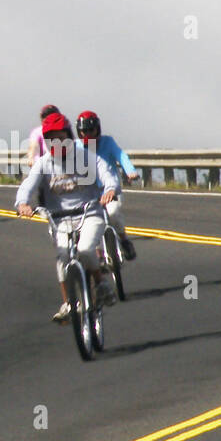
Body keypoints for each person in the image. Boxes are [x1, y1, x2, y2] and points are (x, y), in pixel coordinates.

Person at [15, 111, 120, 321]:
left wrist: (110, 189)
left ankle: (100, 282)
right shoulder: (44, 163)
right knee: (63, 258)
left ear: (69, 137)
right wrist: (23, 203)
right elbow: (27, 185)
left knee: (85, 250)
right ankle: (68, 304)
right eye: (51, 139)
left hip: (89, 214)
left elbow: (107, 173)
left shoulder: (86, 157)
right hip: (60, 219)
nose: (57, 143)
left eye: (61, 138)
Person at [75, 110, 139, 260]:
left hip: (110, 190)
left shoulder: (107, 142)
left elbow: (121, 155)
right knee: (90, 224)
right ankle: (98, 256)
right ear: (79, 132)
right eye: (84, 131)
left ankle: (124, 240)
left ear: (98, 129)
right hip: (88, 194)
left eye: (91, 130)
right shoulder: (75, 147)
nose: (88, 134)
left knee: (113, 213)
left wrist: (130, 171)